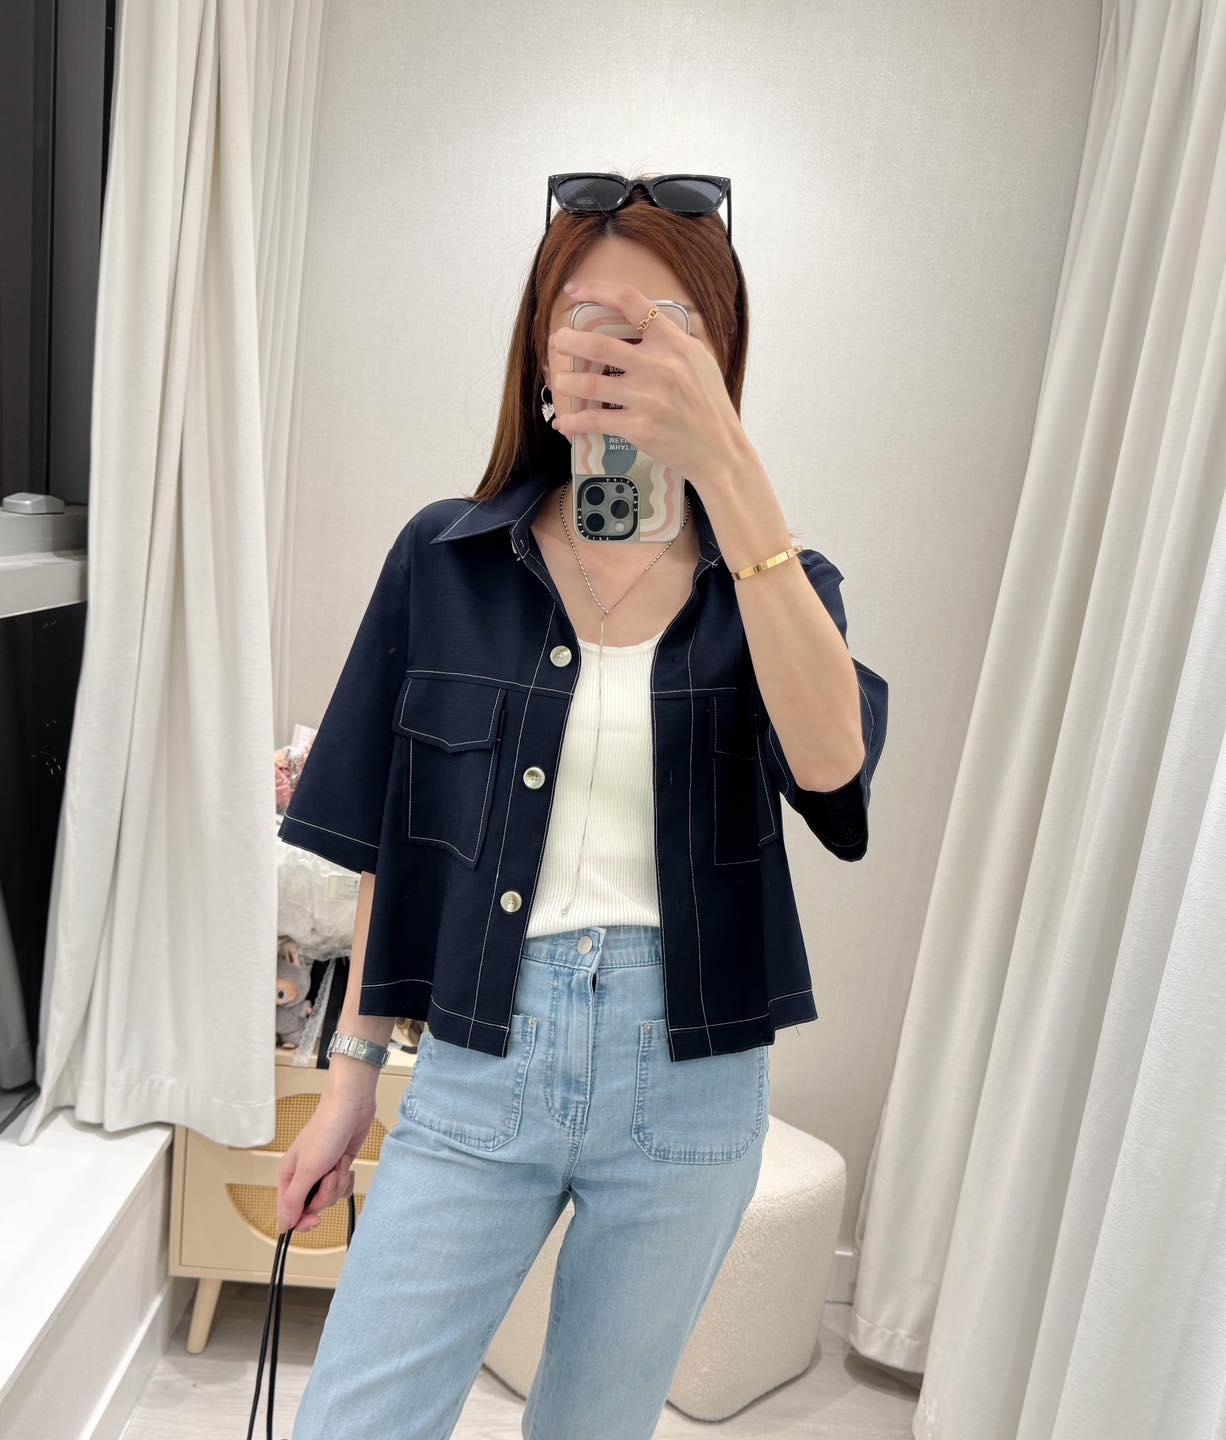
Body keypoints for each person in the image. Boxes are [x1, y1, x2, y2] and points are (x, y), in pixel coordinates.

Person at [278, 173, 888, 1439]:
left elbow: (832, 769)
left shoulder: (773, 583)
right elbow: (399, 836)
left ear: (717, 356)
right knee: (356, 1419)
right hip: (478, 1056)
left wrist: (728, 471)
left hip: (689, 1081)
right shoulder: (444, 558)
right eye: (589, 317)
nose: (623, 349)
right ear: (539, 345)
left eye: (666, 326)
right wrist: (350, 1080)